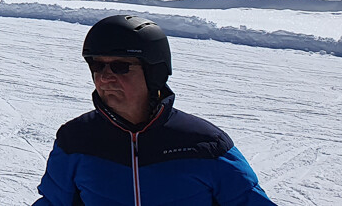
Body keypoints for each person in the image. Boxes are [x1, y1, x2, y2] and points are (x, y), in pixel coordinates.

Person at [33, 15, 275, 206]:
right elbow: (53, 202)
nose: (105, 78)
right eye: (97, 65)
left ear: (154, 73)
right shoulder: (75, 141)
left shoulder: (205, 144)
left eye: (120, 67)